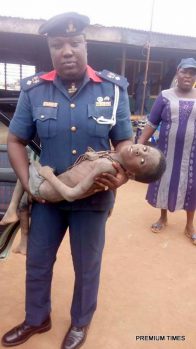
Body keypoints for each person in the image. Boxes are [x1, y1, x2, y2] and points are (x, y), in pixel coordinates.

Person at [1, 12, 134, 349]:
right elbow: (15, 140)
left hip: (93, 198)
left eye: (75, 43)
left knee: (87, 266)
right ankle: (37, 318)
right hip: (47, 198)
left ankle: (80, 322)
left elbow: (124, 144)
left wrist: (120, 176)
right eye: (57, 45)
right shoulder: (34, 90)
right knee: (38, 261)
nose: (67, 50)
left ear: (85, 45)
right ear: (50, 49)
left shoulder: (113, 89)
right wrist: (30, 186)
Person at [0, 144, 166, 254]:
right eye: (145, 148)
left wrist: (48, 175)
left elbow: (71, 195)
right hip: (48, 188)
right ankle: (24, 242)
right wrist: (112, 203)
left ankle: (11, 211)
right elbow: (109, 187)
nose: (139, 152)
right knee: (25, 200)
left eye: (142, 161)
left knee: (28, 167)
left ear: (131, 174)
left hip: (46, 189)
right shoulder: (113, 160)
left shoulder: (106, 166)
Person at [138, 57, 196, 245]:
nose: (188, 76)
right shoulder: (165, 95)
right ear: (178, 72)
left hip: (192, 154)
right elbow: (152, 122)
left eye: (192, 73)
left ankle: (190, 225)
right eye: (185, 71)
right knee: (164, 180)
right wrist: (140, 143)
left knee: (191, 186)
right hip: (166, 151)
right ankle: (163, 217)